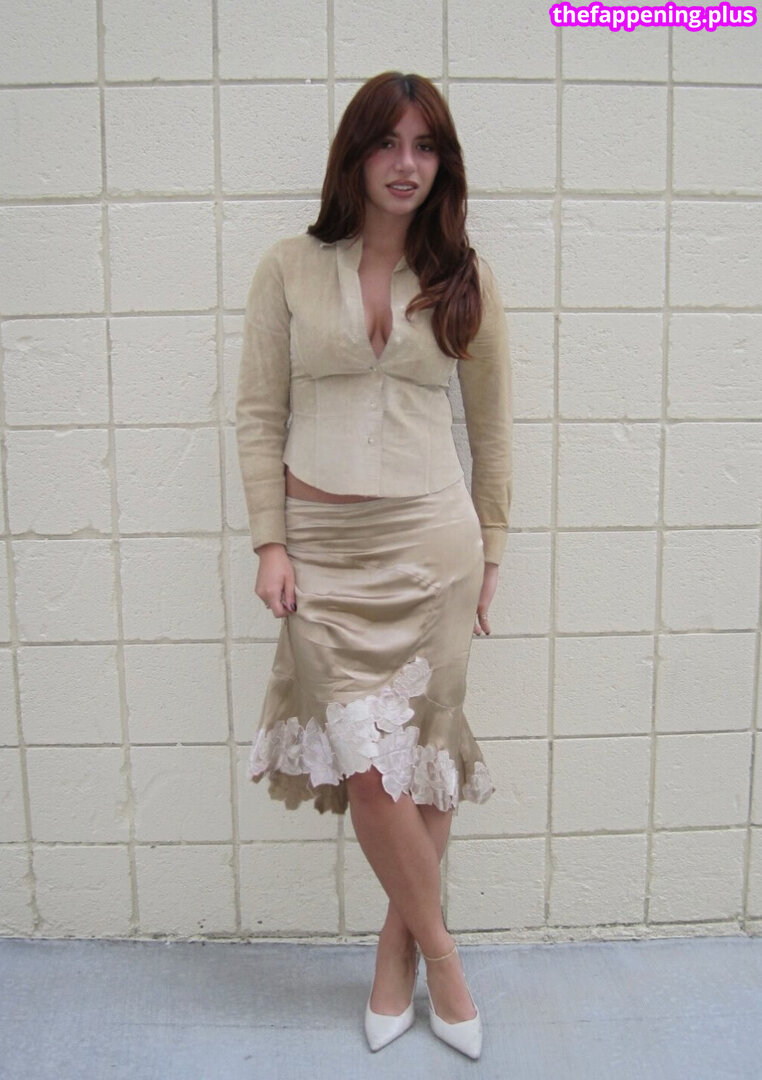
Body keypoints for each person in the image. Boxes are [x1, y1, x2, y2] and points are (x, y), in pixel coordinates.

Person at [235, 70, 512, 1061]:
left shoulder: (464, 276)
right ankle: (444, 954)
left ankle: (395, 956)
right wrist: (270, 540)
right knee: (367, 766)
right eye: (387, 143)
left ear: (444, 164)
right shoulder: (288, 267)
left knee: (424, 756)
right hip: (324, 552)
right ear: (354, 155)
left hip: (435, 545)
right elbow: (259, 412)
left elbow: (492, 431)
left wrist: (492, 552)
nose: (406, 164)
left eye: (425, 146)